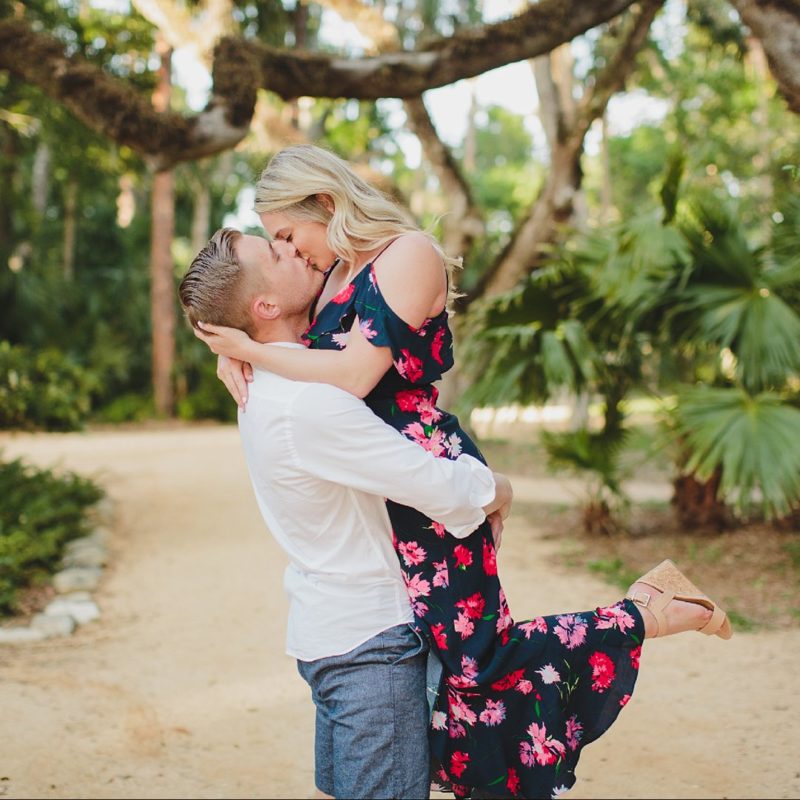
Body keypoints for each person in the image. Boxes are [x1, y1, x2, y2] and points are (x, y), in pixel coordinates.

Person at [193, 145, 732, 799]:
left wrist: (253, 349)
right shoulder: (330, 277)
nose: (291, 250)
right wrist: (240, 354)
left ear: (326, 206)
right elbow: (272, 321)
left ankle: (646, 614)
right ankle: (642, 613)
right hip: (394, 491)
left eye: (286, 234)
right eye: (276, 243)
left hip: (426, 474)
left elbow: (357, 373)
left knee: (483, 666)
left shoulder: (406, 254)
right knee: (462, 702)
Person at [179, 227, 514, 800]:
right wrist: (499, 487)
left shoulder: (278, 375)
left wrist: (234, 348)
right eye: (275, 251)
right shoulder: (307, 401)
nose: (290, 246)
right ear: (265, 306)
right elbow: (433, 485)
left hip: (336, 635)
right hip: (370, 650)